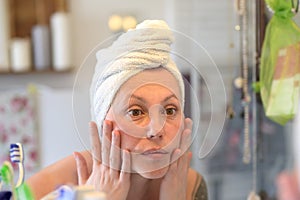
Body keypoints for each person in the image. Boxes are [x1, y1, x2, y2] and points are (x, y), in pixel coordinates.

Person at [26, 20, 208, 200]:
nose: (157, 130)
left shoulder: (188, 185)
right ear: (102, 119)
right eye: (136, 112)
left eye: (169, 111)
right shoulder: (42, 190)